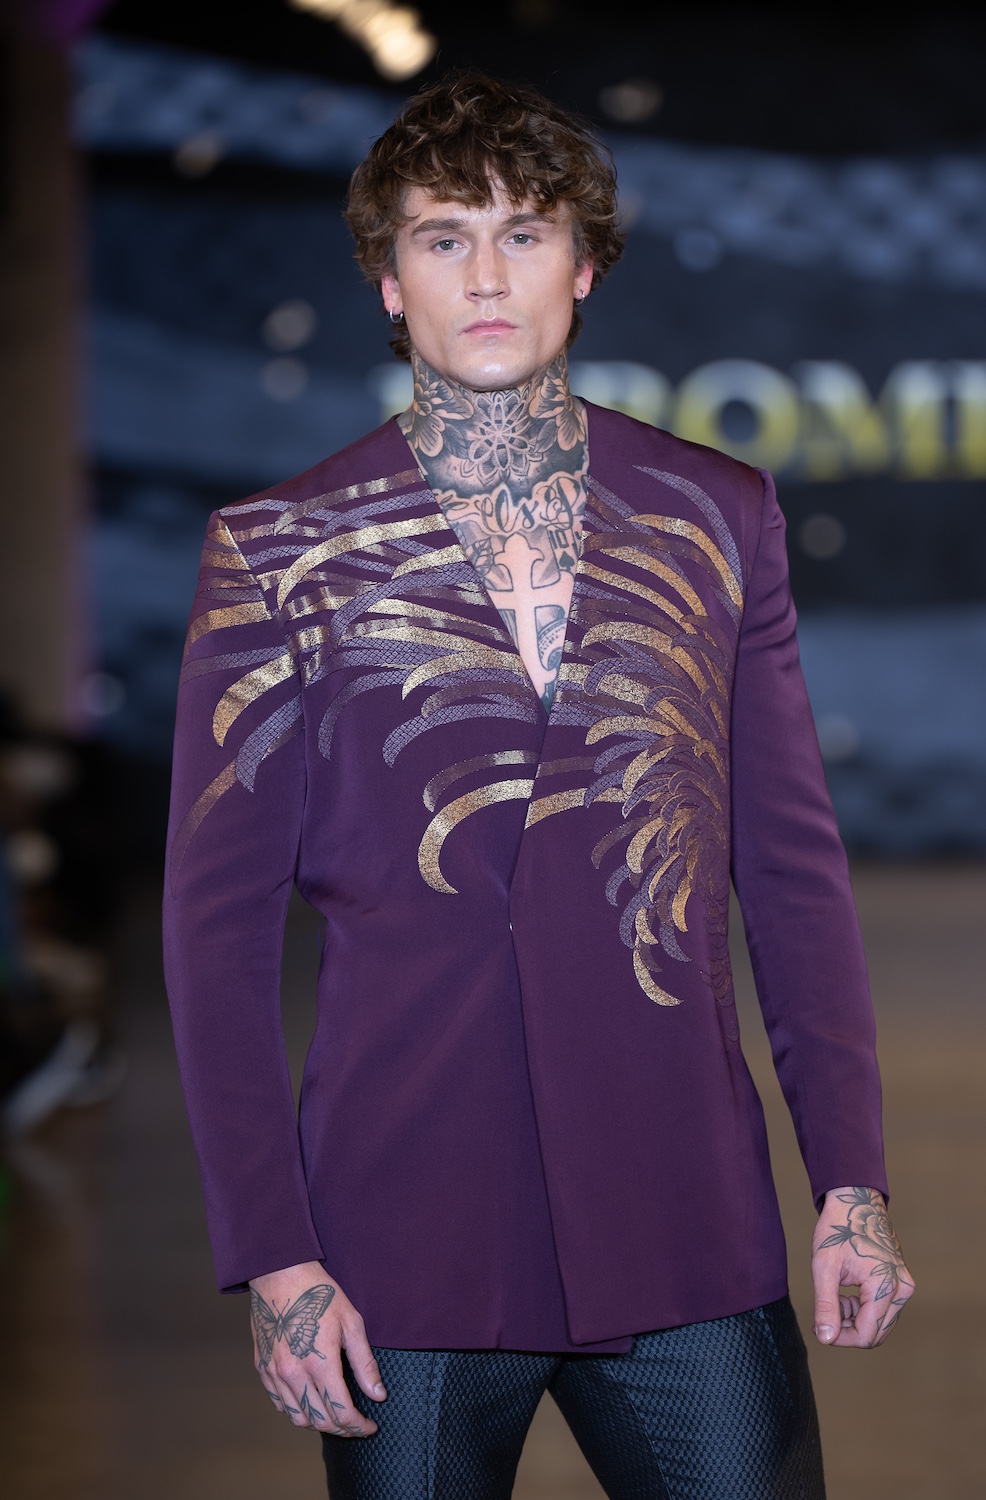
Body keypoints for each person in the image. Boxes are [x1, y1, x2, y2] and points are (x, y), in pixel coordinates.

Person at [163, 72, 913, 1499]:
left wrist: (849, 1183)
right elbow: (216, 932)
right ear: (389, 281)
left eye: (524, 232)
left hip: (682, 1215)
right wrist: (274, 1255)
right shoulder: (280, 551)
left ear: (584, 264)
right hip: (399, 1238)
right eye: (445, 238)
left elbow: (790, 872)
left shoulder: (716, 514)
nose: (489, 276)